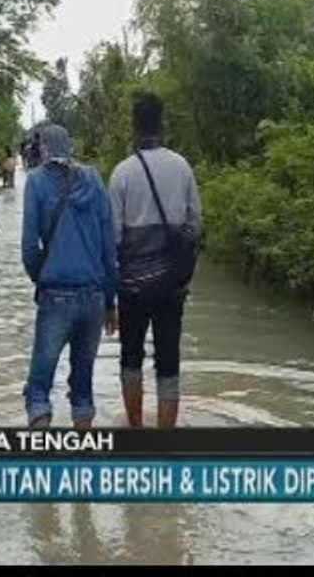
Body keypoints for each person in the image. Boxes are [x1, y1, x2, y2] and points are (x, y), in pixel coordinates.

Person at [108, 91, 201, 429]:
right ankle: (166, 440)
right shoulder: (182, 167)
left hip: (132, 288)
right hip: (171, 286)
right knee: (169, 362)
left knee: (131, 359)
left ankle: (136, 432)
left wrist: (110, 296)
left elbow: (112, 239)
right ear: (162, 125)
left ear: (134, 128)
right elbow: (195, 224)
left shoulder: (121, 173)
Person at [21, 124, 118, 429]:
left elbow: (29, 247)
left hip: (56, 296)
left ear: (44, 149)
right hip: (94, 297)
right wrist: (110, 301)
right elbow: (109, 247)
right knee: (83, 390)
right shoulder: (94, 179)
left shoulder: (36, 181)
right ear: (70, 147)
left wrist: (42, 278)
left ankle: (41, 452)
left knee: (38, 390)